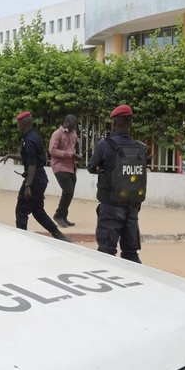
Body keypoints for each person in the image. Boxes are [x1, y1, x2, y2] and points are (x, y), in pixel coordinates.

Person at [87, 104, 148, 263]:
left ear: (114, 123)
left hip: (111, 207)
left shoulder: (105, 145)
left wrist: (102, 168)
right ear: (130, 122)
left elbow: (91, 167)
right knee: (131, 253)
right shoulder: (140, 148)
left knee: (106, 253)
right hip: (133, 207)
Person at [0, 112, 70, 242]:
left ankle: (22, 239)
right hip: (39, 179)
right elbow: (27, 159)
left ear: (23, 124)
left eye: (19, 123)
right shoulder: (31, 137)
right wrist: (9, 155)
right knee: (37, 211)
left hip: (35, 179)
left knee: (21, 211)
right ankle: (58, 234)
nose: (18, 126)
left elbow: (32, 165)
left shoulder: (29, 140)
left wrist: (28, 186)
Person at [49, 114, 83, 228]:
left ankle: (63, 216)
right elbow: (52, 151)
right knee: (68, 190)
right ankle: (58, 215)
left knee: (70, 192)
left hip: (71, 166)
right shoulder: (57, 134)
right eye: (72, 126)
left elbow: (75, 146)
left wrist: (78, 155)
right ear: (66, 123)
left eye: (75, 126)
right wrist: (69, 155)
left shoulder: (73, 133)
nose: (73, 128)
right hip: (60, 166)